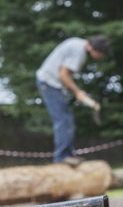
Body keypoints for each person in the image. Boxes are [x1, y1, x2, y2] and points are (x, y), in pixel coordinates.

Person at [35, 35, 110, 166]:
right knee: (63, 120)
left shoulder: (77, 44)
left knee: (67, 119)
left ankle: (67, 155)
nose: (99, 57)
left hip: (52, 84)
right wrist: (77, 92)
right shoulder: (79, 51)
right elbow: (63, 74)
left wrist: (77, 92)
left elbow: (64, 74)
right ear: (95, 49)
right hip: (49, 82)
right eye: (100, 54)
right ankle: (62, 158)